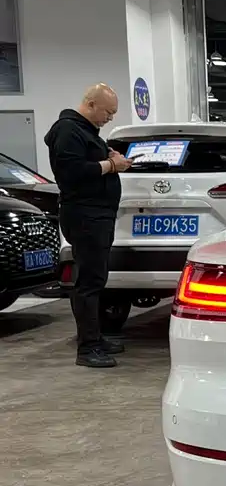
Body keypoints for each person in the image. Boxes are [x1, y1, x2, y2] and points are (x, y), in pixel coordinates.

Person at [46, 84, 133, 368]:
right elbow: (72, 172)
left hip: (96, 216)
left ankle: (95, 337)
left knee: (95, 280)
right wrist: (111, 165)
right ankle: (88, 348)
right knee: (88, 283)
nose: (110, 118)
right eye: (108, 112)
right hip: (85, 216)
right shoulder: (68, 130)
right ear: (91, 103)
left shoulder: (85, 131)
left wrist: (111, 159)